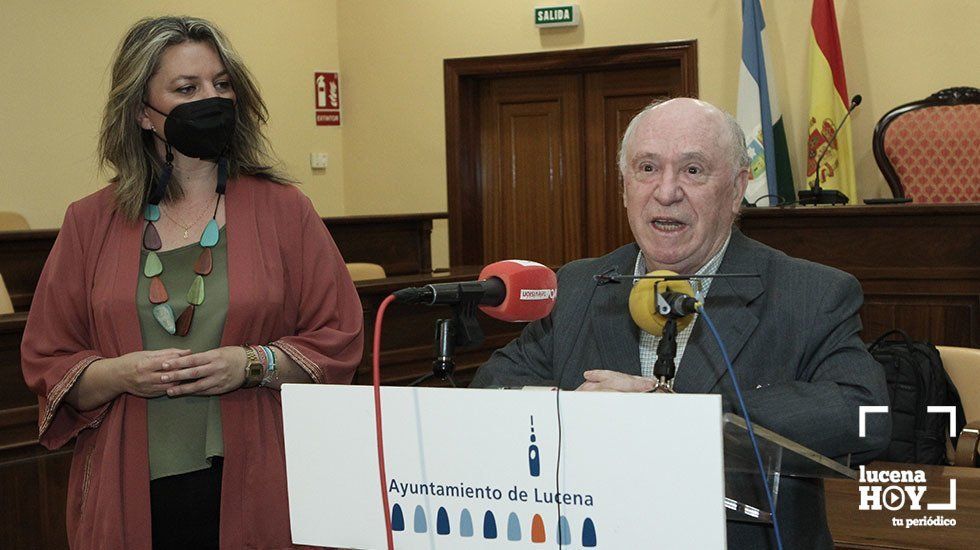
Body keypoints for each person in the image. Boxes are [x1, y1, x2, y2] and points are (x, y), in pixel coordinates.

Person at [471, 98, 891, 549]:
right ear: (625, 186)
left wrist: (684, 416)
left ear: (736, 189)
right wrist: (573, 411)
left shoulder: (808, 292)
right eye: (647, 168)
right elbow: (493, 389)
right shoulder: (579, 284)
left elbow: (866, 414)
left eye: (692, 170)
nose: (666, 191)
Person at [20, 16, 363, 549]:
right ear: (142, 113)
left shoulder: (284, 210)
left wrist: (252, 364)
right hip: (131, 482)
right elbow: (48, 358)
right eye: (187, 88)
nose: (213, 98)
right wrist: (118, 373)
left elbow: (338, 337)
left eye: (221, 84)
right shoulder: (91, 221)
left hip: (260, 475)